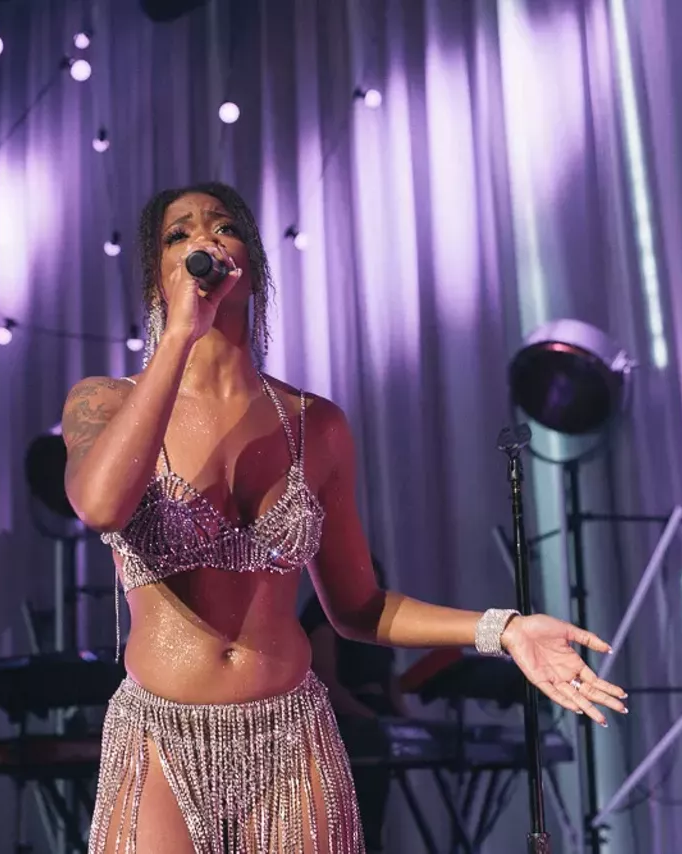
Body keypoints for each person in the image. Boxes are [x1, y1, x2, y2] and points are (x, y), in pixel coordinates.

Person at [60, 182, 629, 854]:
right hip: (159, 736)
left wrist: (501, 629)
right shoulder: (103, 402)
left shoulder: (314, 425)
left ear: (252, 262)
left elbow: (357, 609)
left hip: (289, 737)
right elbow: (100, 505)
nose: (203, 241)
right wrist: (182, 334)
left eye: (222, 227)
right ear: (157, 276)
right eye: (178, 235)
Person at [303, 558, 406, 854]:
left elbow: (391, 681)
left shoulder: (377, 620)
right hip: (344, 723)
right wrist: (369, 718)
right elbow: (325, 683)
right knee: (350, 824)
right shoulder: (322, 615)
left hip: (375, 721)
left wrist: (407, 725)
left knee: (372, 823)